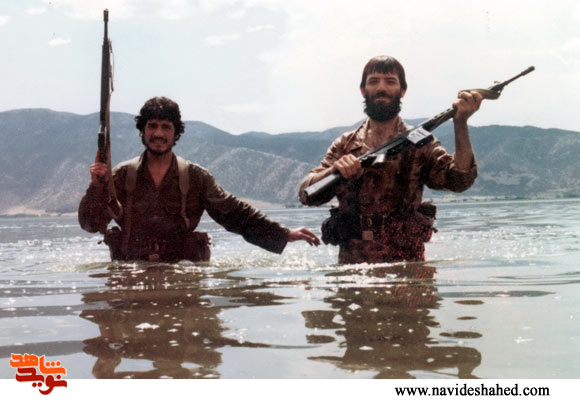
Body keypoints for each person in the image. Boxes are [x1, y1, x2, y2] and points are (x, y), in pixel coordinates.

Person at [79, 96, 320, 262]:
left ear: (176, 133)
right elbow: (90, 225)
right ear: (143, 131)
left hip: (182, 272)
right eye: (152, 126)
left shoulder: (195, 177)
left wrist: (283, 234)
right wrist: (96, 187)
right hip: (132, 273)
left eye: (166, 127)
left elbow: (235, 214)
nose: (159, 133)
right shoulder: (122, 175)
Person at [299, 56, 482, 264]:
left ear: (402, 90)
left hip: (408, 265)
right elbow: (306, 194)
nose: (381, 88)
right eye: (374, 81)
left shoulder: (421, 142)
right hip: (352, 265)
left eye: (390, 81)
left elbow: (460, 180)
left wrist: (460, 123)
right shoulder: (345, 145)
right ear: (363, 90)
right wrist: (334, 171)